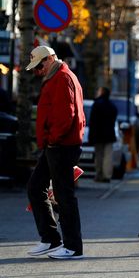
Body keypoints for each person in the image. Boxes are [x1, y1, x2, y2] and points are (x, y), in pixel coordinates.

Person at [25, 46, 86, 260]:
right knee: (36, 187)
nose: (38, 70)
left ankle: (72, 246)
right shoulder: (57, 76)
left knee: (63, 195)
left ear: (50, 59)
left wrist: (53, 139)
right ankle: (51, 238)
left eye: (40, 65)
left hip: (61, 145)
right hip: (57, 145)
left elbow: (65, 114)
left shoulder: (61, 78)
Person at [88, 87, 118, 183]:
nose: (97, 92)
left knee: (99, 156)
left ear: (102, 93)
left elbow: (92, 122)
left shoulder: (96, 104)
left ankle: (99, 174)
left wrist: (91, 136)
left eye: (99, 91)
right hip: (109, 134)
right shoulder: (112, 106)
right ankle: (107, 176)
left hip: (98, 135)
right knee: (108, 156)